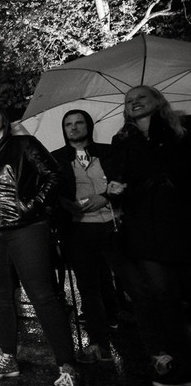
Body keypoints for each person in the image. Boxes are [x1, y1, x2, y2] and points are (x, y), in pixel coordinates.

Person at [0, 104, 81, 386]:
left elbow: (54, 176)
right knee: (0, 295)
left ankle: (68, 369)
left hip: (26, 228)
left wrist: (30, 206)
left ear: (4, 119)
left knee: (42, 295)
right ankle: (8, 356)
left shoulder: (23, 144)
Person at [106, 85, 191, 386]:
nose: (135, 102)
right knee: (163, 294)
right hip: (143, 226)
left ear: (157, 100)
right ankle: (180, 363)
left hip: (180, 220)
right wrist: (114, 189)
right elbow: (117, 177)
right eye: (129, 101)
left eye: (141, 96)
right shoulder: (122, 139)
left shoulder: (182, 127)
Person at [51, 110, 121, 363]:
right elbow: (52, 189)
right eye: (68, 124)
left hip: (114, 222)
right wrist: (64, 203)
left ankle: (120, 319)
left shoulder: (109, 151)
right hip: (79, 227)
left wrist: (107, 197)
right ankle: (98, 343)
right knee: (88, 285)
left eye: (79, 122)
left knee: (127, 279)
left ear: (88, 125)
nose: (74, 127)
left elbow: (123, 180)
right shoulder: (57, 158)